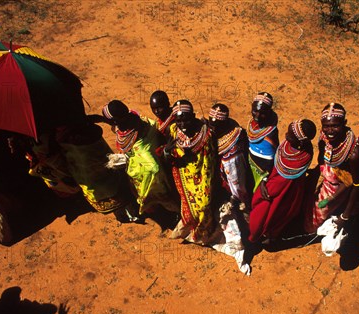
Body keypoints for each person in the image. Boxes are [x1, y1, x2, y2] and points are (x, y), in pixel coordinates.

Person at [101, 100, 179, 218]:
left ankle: (162, 210)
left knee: (146, 180)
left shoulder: (140, 147)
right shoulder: (139, 122)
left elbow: (152, 167)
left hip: (149, 165)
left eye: (110, 121)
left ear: (116, 121)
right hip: (149, 154)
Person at [55, 117, 137, 222]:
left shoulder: (62, 141)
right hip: (104, 173)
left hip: (92, 181)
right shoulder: (86, 133)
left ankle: (122, 216)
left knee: (113, 191)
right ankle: (128, 213)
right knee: (119, 188)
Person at [249, 119, 316, 244]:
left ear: (300, 141)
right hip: (282, 186)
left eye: (290, 135)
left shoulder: (297, 161)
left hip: (281, 193)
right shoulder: (298, 148)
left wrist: (265, 186)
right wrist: (265, 178)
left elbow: (279, 185)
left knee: (269, 214)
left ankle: (262, 235)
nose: (286, 135)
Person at [303, 103, 359, 235]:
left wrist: (345, 215)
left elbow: (357, 184)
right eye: (326, 126)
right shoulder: (324, 137)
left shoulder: (353, 153)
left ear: (344, 123)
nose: (330, 131)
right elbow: (322, 158)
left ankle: (311, 232)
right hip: (323, 176)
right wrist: (315, 176)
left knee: (318, 213)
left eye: (335, 126)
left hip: (336, 189)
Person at [163, 100, 217, 244]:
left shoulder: (206, 133)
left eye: (186, 120)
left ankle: (203, 233)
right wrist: (167, 152)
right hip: (183, 175)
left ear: (193, 116)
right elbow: (168, 154)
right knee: (188, 205)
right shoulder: (174, 131)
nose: (182, 125)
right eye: (179, 120)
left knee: (204, 203)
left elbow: (210, 160)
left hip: (202, 173)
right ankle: (192, 228)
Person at [208, 103, 252, 274]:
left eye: (214, 126)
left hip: (231, 190)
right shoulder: (230, 131)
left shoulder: (231, 155)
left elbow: (236, 182)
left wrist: (234, 199)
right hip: (221, 182)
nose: (211, 128)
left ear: (224, 126)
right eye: (210, 124)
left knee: (233, 216)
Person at [247, 92, 279, 193]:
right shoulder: (252, 124)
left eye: (262, 113)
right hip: (249, 166)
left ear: (269, 112)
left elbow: (271, 158)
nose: (257, 116)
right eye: (255, 111)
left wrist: (264, 180)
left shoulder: (271, 133)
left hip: (262, 174)